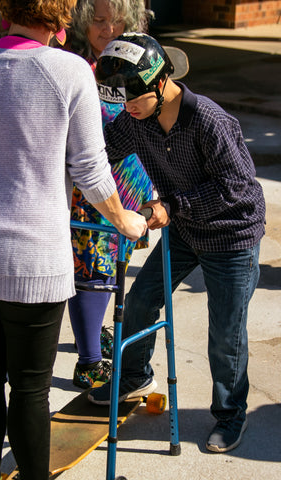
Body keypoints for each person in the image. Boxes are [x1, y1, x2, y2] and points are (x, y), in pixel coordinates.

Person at [0, 3, 147, 480]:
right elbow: (89, 168)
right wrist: (125, 218)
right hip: (32, 256)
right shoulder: (67, 70)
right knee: (29, 390)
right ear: (62, 17)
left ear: (6, 8)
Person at [88, 33, 266, 454]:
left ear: (159, 83)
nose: (124, 109)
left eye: (131, 98)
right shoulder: (135, 120)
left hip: (230, 233)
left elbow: (238, 189)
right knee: (142, 299)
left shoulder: (209, 121)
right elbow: (104, 149)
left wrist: (171, 206)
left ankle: (230, 413)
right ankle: (133, 375)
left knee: (225, 333)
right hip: (185, 229)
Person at [64, 0, 154, 389]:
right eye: (98, 21)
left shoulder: (141, 66)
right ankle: (88, 362)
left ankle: (93, 339)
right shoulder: (78, 71)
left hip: (131, 186)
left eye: (117, 22)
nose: (108, 30)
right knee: (91, 272)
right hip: (93, 189)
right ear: (84, 25)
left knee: (113, 269)